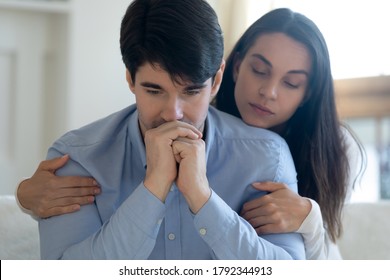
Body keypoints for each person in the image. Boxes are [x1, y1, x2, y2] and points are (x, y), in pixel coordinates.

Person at [17, 7, 364, 259]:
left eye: (191, 91)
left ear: (215, 81)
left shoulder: (271, 153)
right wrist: (154, 187)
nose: (173, 114)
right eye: (154, 91)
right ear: (129, 79)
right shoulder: (80, 156)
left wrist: (202, 196)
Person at [214, 8, 365, 259]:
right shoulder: (202, 128)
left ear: (307, 93)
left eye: (291, 83)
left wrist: (310, 219)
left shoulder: (337, 148)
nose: (269, 91)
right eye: (260, 70)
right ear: (237, 67)